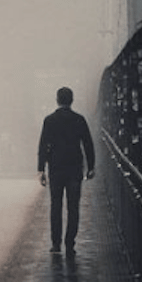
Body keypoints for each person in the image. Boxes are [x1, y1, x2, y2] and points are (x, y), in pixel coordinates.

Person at [37, 86, 95, 253]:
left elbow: (43, 145)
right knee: (73, 207)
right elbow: (88, 144)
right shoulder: (79, 119)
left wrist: (41, 169)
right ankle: (70, 243)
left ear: (57, 100)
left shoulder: (50, 120)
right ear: (72, 100)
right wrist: (91, 166)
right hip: (74, 168)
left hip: (55, 168)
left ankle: (56, 243)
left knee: (56, 206)